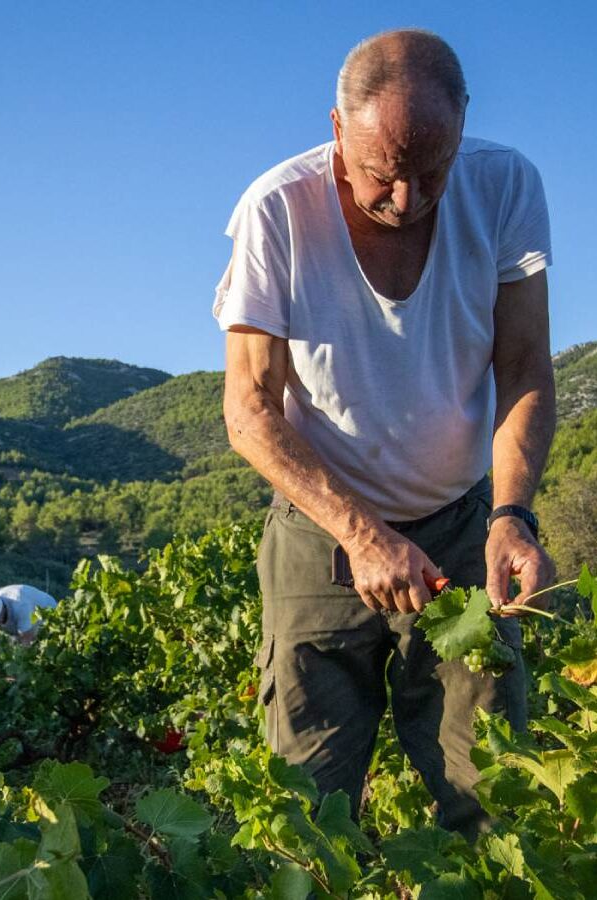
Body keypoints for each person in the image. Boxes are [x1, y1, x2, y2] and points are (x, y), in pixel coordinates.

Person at [215, 28, 555, 841]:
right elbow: (249, 411)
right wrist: (362, 536)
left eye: (431, 172)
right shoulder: (277, 209)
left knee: (495, 796)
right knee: (307, 808)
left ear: (463, 129)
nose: (407, 200)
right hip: (319, 541)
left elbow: (526, 369)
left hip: (461, 527)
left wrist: (512, 514)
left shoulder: (506, 187)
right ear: (337, 129)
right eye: (381, 174)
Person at [0, 583, 58, 654]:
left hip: (47, 614)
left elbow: (27, 640)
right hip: (21, 621)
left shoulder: (21, 606)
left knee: (39, 648)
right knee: (14, 644)